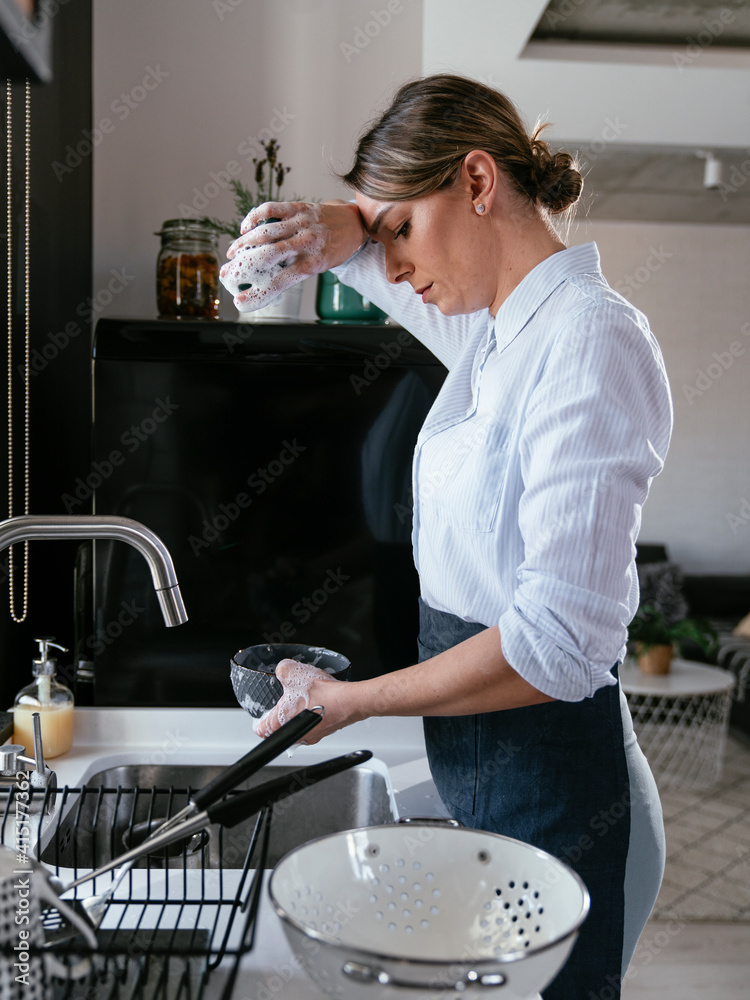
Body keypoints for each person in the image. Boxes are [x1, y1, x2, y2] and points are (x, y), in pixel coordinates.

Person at [220, 74, 673, 1000]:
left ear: (476, 183)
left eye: (402, 233)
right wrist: (354, 221)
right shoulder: (501, 333)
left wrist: (354, 702)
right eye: (384, 237)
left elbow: (555, 646)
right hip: (495, 781)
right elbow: (370, 266)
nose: (392, 269)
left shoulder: (589, 342)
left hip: (563, 797)